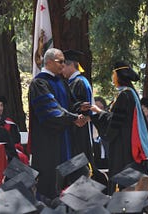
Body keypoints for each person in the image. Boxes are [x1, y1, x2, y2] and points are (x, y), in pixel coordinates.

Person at [28, 48, 86, 200]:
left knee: (68, 180)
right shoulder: (39, 83)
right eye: (60, 61)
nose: (63, 64)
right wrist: (74, 117)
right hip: (49, 141)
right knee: (50, 182)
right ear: (48, 62)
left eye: (64, 61)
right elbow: (51, 111)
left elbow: (69, 105)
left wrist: (80, 108)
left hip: (65, 137)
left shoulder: (61, 82)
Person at [90, 61, 148, 193]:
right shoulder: (129, 93)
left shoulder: (124, 95)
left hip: (122, 144)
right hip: (126, 141)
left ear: (118, 76)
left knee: (122, 173)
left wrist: (98, 113)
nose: (112, 78)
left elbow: (115, 121)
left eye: (113, 74)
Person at [61, 49, 95, 165]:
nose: (61, 70)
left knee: (79, 162)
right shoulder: (75, 82)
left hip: (79, 130)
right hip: (75, 129)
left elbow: (83, 108)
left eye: (63, 66)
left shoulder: (79, 82)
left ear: (71, 65)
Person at [0, 95, 29, 164]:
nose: (0, 108)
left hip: (10, 150)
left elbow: (16, 141)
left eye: (1, 105)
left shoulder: (10, 124)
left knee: (22, 157)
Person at [92, 96, 109, 169]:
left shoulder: (108, 124)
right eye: (96, 108)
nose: (97, 111)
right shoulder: (88, 124)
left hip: (107, 158)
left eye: (100, 108)